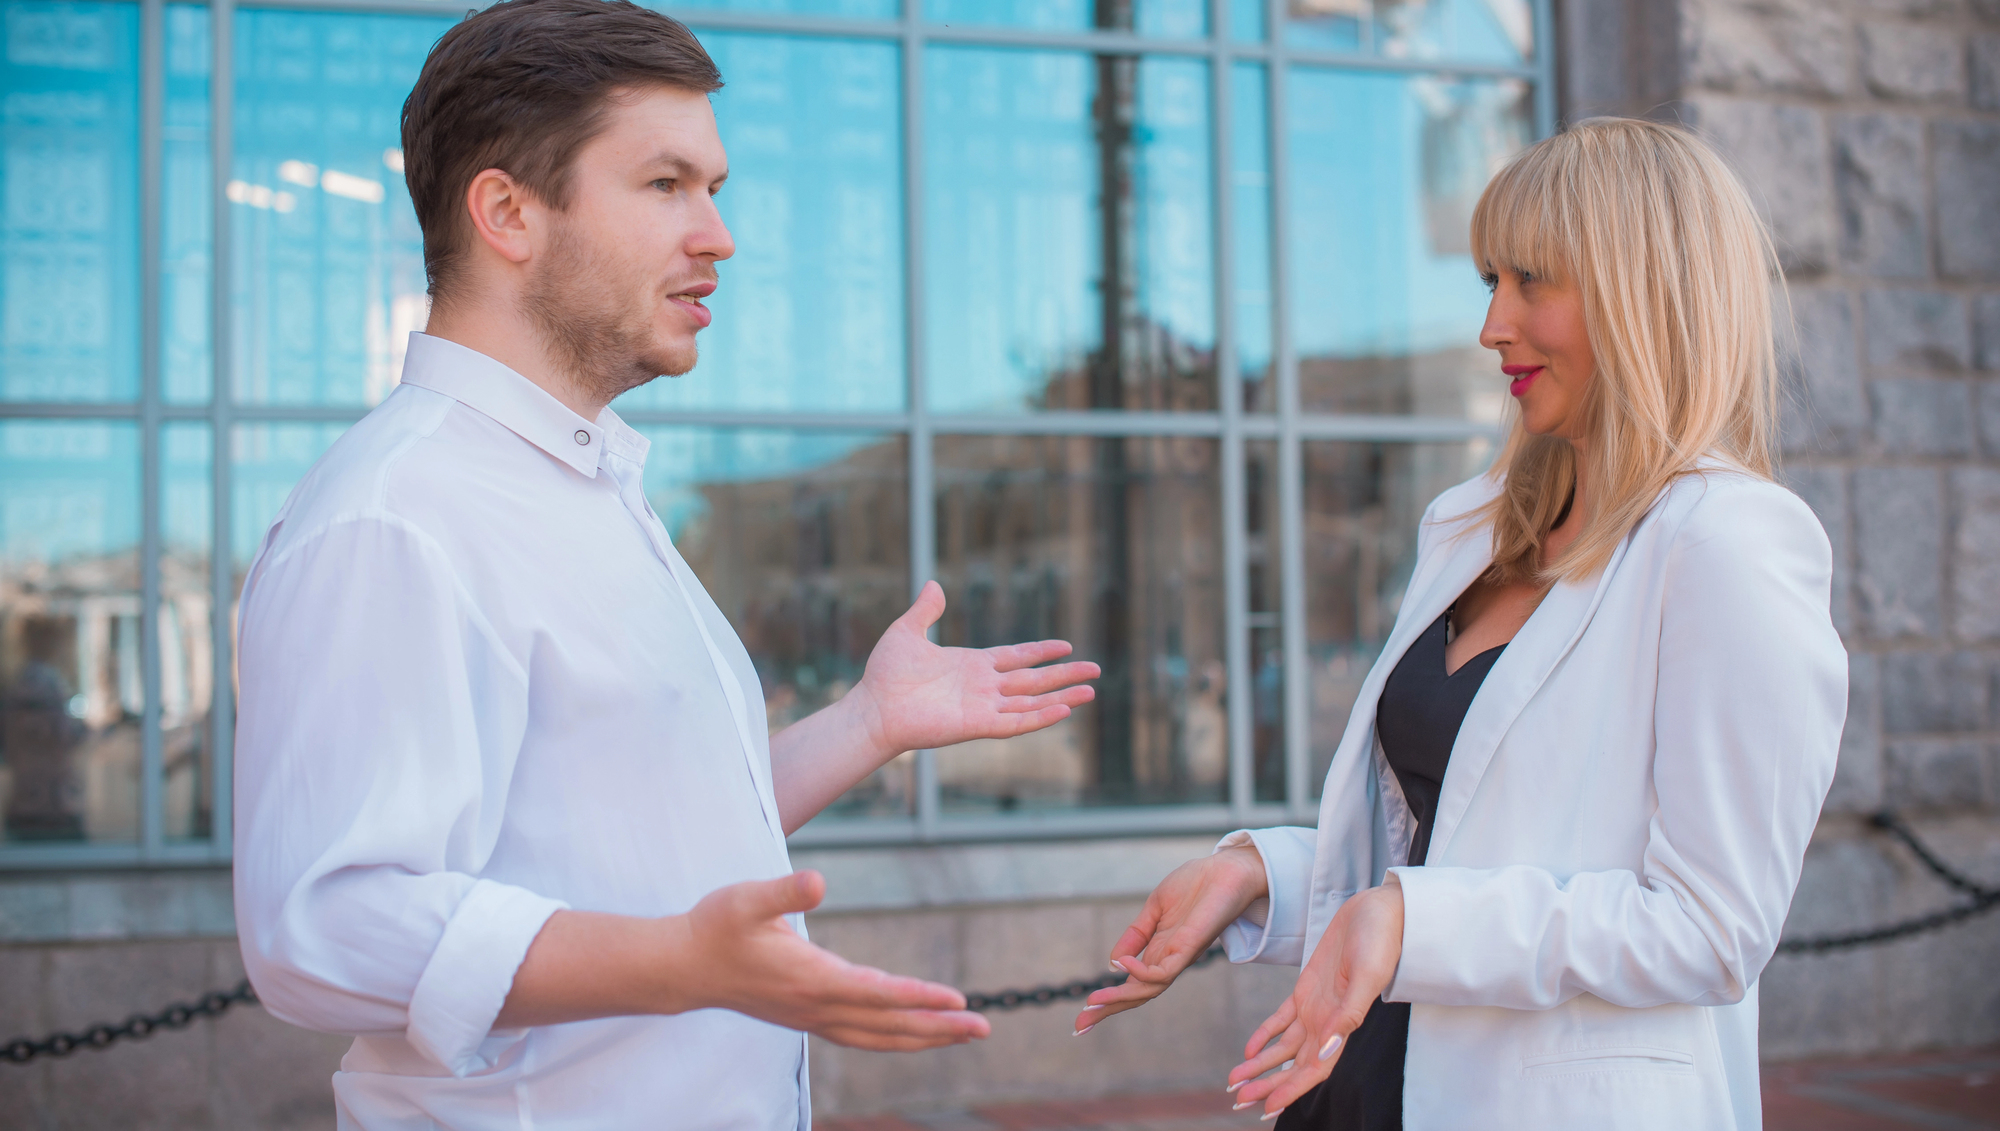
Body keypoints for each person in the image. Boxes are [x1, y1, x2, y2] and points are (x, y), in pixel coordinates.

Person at [231, 2, 1099, 1127]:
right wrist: (679, 964)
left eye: (714, 189)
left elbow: (642, 836)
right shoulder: (394, 518)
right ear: (506, 212)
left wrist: (866, 723)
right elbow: (322, 930)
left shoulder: (589, 491)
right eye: (664, 185)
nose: (718, 235)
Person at [1069, 117, 1847, 1130]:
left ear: (1642, 293)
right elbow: (1440, 851)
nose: (1492, 327)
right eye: (1490, 284)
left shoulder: (1728, 542)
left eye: (1532, 283)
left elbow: (1708, 930)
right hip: (1362, 1087)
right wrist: (1255, 872)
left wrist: (1409, 920)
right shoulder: (1473, 531)